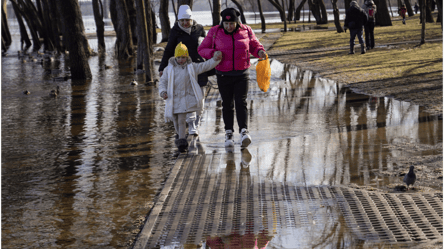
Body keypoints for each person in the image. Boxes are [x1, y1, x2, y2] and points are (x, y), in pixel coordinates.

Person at [198, 8, 267, 149]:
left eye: (232, 23)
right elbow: (202, 49)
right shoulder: (215, 31)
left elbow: (254, 45)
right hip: (223, 74)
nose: (229, 26)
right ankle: (228, 134)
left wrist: (260, 51)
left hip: (242, 73)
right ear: (222, 22)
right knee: (227, 104)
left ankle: (244, 132)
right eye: (226, 23)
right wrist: (213, 53)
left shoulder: (246, 30)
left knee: (241, 102)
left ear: (237, 21)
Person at [159, 42, 222, 153]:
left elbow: (205, 66)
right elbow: (163, 82)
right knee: (175, 120)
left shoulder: (192, 67)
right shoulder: (168, 69)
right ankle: (179, 136)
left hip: (185, 99)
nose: (181, 60)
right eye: (178, 57)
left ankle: (182, 143)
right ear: (175, 57)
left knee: (182, 120)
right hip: (173, 99)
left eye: (183, 57)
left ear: (187, 57)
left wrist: (216, 59)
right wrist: (163, 91)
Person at [159, 5, 209, 136]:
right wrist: (162, 68)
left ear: (191, 20)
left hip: (198, 67)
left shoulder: (199, 29)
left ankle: (196, 124)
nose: (185, 23)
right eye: (182, 21)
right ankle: (191, 122)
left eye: (187, 20)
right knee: (189, 96)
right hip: (184, 69)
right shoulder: (175, 31)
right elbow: (169, 50)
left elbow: (207, 46)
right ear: (178, 21)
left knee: (200, 98)